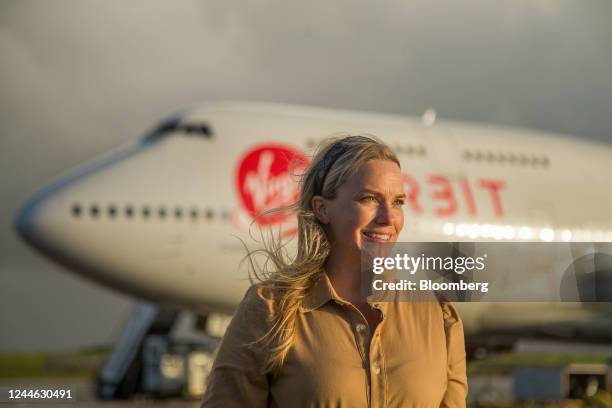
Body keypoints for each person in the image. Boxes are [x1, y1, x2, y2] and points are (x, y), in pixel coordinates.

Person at [201, 135, 468, 407]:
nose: (389, 218)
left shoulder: (439, 317)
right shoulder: (271, 310)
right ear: (322, 209)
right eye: (369, 198)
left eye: (398, 202)